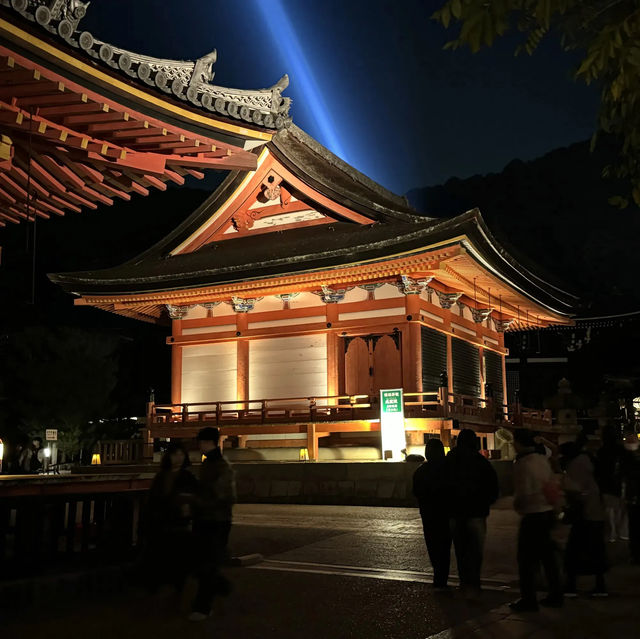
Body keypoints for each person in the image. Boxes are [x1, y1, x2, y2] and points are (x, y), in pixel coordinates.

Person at [509, 429, 563, 612]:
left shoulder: (522, 463)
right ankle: (556, 594)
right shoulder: (542, 459)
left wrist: (518, 505)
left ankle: (529, 599)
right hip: (547, 511)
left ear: (519, 443)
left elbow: (523, 492)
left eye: (514, 441)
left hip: (532, 514)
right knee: (548, 558)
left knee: (526, 560)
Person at [444, 429, 499, 598]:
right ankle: (475, 583)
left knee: (461, 549)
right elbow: (493, 488)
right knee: (475, 550)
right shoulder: (481, 462)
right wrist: (485, 504)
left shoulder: (450, 460)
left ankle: (464, 582)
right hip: (477, 513)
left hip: (456, 512)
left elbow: (442, 485)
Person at [189, 427, 236, 622]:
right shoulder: (212, 463)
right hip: (210, 518)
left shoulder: (219, 465)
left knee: (206, 563)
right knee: (205, 562)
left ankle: (203, 606)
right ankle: (219, 586)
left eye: (201, 442)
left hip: (215, 519)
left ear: (208, 442)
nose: (199, 445)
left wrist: (198, 501)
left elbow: (224, 495)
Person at [143, 442, 198, 593]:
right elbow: (153, 498)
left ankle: (178, 583)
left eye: (181, 455)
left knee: (178, 554)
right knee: (160, 553)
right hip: (161, 519)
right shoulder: (161, 476)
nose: (178, 458)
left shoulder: (188, 477)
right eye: (175, 455)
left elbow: (196, 496)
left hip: (180, 520)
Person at [560, 438, 608, 597]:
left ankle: (571, 585)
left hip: (585, 513)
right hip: (595, 511)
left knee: (575, 550)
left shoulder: (576, 465)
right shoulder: (586, 460)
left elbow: (575, 490)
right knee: (596, 549)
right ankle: (599, 586)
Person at [412, 439, 451, 588]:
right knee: (445, 546)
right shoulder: (450, 468)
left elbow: (416, 492)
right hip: (446, 513)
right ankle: (443, 578)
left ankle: (438, 576)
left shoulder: (421, 470)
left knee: (433, 545)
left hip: (429, 514)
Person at [596, 425, 628, 543]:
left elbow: (599, 470)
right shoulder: (621, 450)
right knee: (620, 509)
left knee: (609, 510)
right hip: (619, 483)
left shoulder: (602, 451)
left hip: (606, 484)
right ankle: (621, 532)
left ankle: (612, 533)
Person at [622, 431, 640, 564]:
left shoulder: (625, 459)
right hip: (633, 496)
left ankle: (635, 553)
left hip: (632, 497)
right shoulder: (628, 458)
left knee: (634, 526)